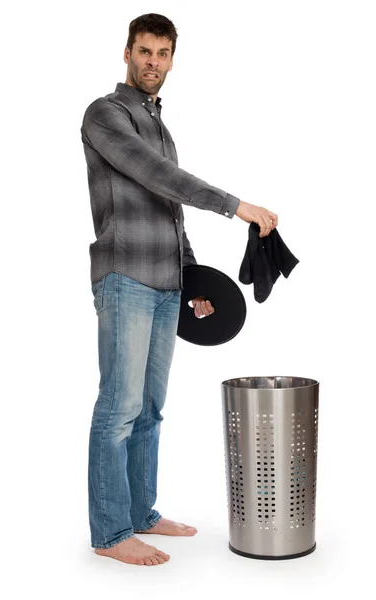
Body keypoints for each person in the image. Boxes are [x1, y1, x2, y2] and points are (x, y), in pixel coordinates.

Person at [80, 13, 278, 567]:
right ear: (127, 53)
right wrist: (234, 205)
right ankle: (110, 532)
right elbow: (155, 175)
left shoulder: (163, 126)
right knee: (118, 409)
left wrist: (191, 280)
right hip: (125, 278)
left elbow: (170, 212)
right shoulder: (105, 114)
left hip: (168, 284)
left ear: (171, 59)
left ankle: (141, 513)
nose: (153, 63)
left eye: (163, 54)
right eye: (144, 51)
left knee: (150, 410)